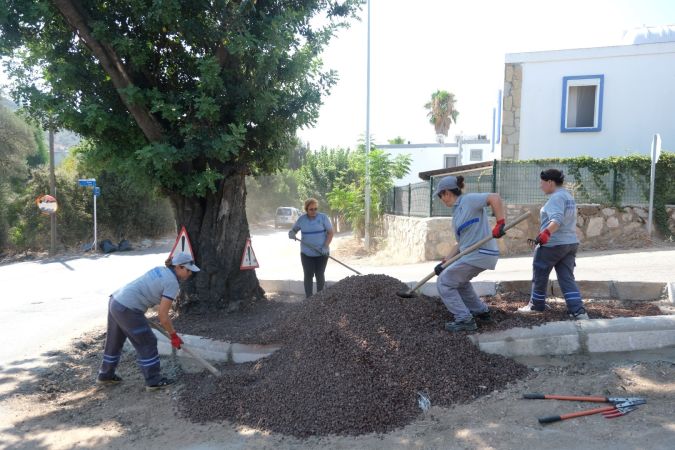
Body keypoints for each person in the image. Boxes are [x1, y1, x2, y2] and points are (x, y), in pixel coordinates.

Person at [96, 252, 200, 391]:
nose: (189, 274)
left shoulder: (160, 270)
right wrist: (173, 335)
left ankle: (105, 375)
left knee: (114, 340)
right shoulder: (172, 283)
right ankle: (153, 381)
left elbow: (150, 293)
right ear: (179, 267)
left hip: (116, 301)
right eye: (188, 270)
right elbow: (163, 316)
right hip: (128, 308)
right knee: (148, 342)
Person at [434, 175, 507, 332]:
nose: (441, 199)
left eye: (440, 195)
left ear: (446, 192)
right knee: (459, 282)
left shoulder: (468, 200)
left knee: (444, 282)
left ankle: (464, 320)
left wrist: (500, 223)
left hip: (481, 253)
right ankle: (481, 312)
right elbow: (461, 244)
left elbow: (495, 198)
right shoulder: (457, 213)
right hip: (472, 254)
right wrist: (445, 261)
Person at [518, 169, 588, 320]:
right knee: (566, 277)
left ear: (550, 182)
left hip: (552, 245)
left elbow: (557, 219)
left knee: (540, 274)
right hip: (570, 244)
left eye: (542, 182)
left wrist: (545, 233)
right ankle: (577, 310)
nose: (540, 186)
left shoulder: (556, 198)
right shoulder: (568, 196)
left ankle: (536, 304)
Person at [288, 198, 334, 298]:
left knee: (320, 274)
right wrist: (291, 233)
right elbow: (294, 230)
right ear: (306, 209)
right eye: (311, 209)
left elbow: (330, 233)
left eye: (315, 209)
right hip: (306, 254)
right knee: (308, 275)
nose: (314, 211)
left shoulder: (323, 218)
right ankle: (309, 299)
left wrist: (325, 246)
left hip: (322, 253)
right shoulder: (302, 219)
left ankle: (319, 298)